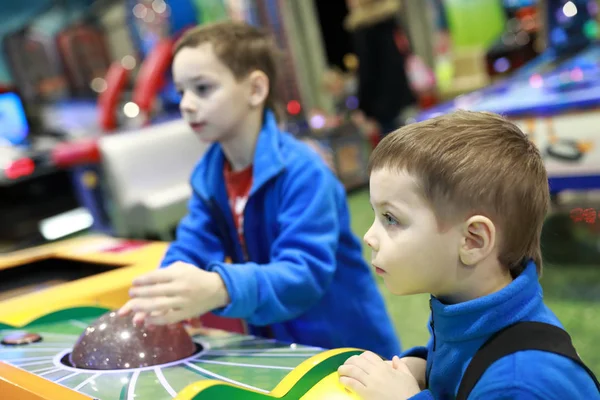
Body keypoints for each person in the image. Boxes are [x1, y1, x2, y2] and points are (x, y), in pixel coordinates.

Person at [118, 21, 400, 359]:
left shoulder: (303, 171)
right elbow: (193, 245)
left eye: (202, 88)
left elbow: (304, 274)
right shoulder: (209, 177)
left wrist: (220, 287)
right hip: (278, 349)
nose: (186, 104)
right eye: (180, 92)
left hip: (344, 349)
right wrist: (164, 291)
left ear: (255, 89)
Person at [337, 110, 600, 399]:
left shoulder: (518, 383)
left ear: (473, 240)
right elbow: (463, 366)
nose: (369, 237)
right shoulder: (466, 311)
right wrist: (423, 366)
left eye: (390, 218)